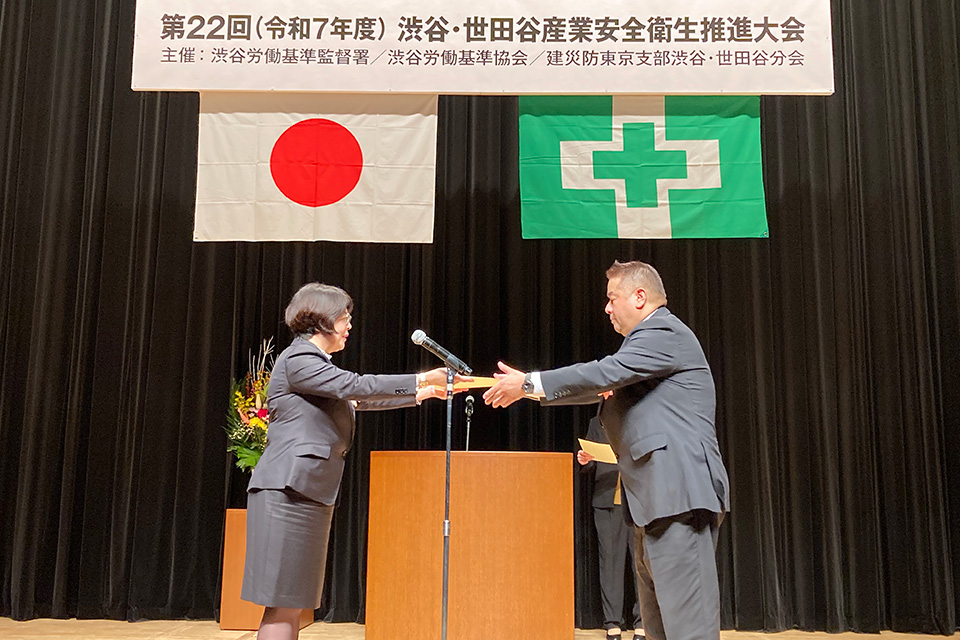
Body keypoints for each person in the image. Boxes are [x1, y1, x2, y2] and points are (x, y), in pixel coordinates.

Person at [483, 260, 729, 640]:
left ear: (640, 297)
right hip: (655, 503)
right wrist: (528, 391)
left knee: (688, 631)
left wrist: (529, 383)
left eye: (613, 298)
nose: (607, 308)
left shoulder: (662, 332)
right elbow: (601, 387)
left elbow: (603, 373)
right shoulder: (643, 353)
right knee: (661, 630)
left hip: (679, 498)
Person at [242, 283, 461, 640]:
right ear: (322, 319)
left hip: (304, 490)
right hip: (287, 490)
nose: (349, 326)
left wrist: (422, 392)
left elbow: (356, 399)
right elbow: (354, 386)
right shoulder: (299, 359)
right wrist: (420, 377)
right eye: (344, 318)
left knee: (292, 602)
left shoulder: (314, 365)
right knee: (283, 603)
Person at [579, 416, 642, 640]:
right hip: (607, 499)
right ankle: (612, 622)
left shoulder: (641, 416)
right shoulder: (597, 422)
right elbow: (592, 462)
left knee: (641, 564)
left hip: (638, 500)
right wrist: (585, 460)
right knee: (610, 564)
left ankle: (643, 622)